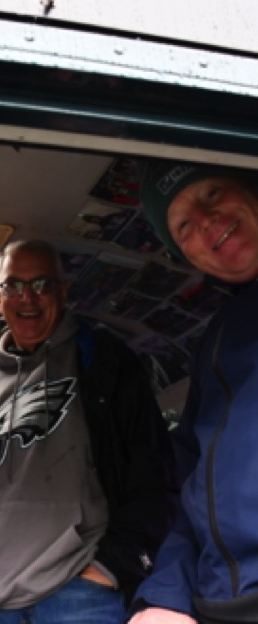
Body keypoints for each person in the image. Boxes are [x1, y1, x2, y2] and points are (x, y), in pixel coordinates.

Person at [0, 239, 178, 624]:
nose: (27, 297)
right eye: (13, 285)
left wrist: (112, 567)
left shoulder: (106, 363)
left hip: (82, 595)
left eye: (41, 284)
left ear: (63, 292)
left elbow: (155, 475)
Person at [128, 161, 258, 623]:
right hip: (220, 601)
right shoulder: (219, 337)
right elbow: (193, 479)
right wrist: (166, 595)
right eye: (183, 225)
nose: (205, 221)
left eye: (212, 193)